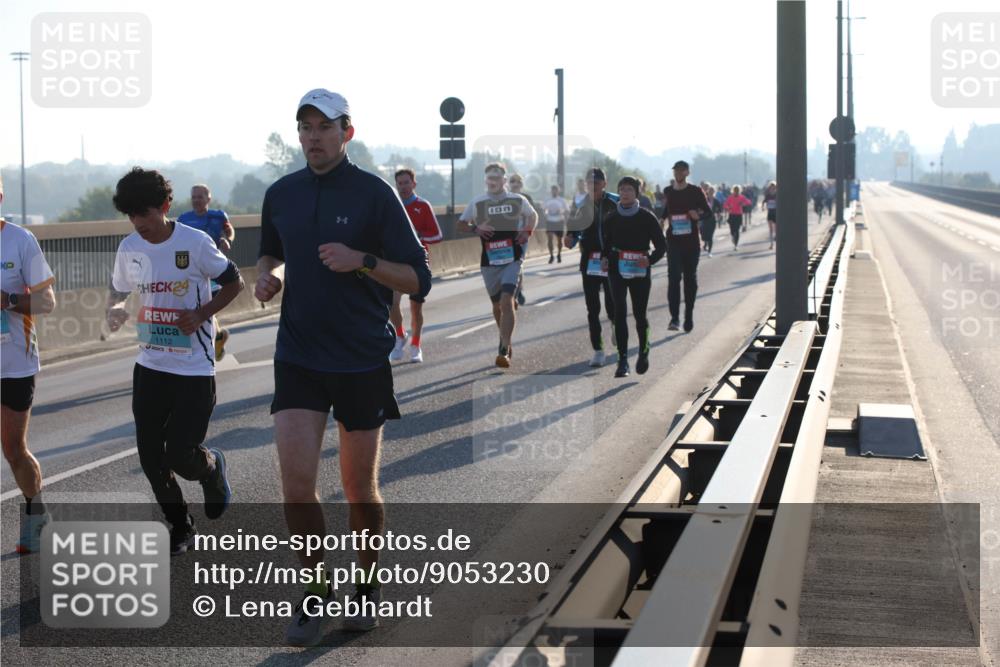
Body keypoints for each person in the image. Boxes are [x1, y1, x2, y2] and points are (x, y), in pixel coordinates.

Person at [254, 89, 432, 645]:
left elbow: (418, 278)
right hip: (298, 356)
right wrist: (268, 278)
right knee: (297, 486)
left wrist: (363, 261)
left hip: (359, 358)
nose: (312, 137)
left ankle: (367, 589)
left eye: (322, 127)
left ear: (346, 132)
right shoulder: (281, 193)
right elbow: (272, 252)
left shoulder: (374, 193)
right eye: (304, 127)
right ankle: (314, 595)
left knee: (358, 487)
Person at [106, 167, 243, 558]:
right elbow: (117, 292)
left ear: (165, 207)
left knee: (180, 455)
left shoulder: (195, 243)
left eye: (144, 214)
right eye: (131, 216)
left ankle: (211, 466)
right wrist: (115, 310)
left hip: (193, 368)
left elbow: (235, 284)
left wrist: (202, 313)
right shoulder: (129, 248)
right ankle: (180, 525)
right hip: (150, 366)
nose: (139, 224)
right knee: (151, 458)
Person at [1, 175, 57, 554]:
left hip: (13, 364)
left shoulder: (20, 241)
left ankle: (37, 515)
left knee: (13, 449)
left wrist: (7, 300)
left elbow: (48, 302)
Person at [458, 163, 537, 368]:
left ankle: (503, 347)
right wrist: (476, 228)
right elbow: (460, 224)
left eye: (497, 177)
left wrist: (526, 231)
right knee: (496, 305)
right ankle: (504, 337)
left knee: (506, 300)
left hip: (512, 257)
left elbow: (533, 216)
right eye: (489, 178)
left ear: (504, 180)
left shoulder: (517, 200)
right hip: (490, 261)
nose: (493, 181)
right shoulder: (478, 202)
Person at [601, 176, 666, 378]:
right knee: (620, 311)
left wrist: (650, 260)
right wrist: (604, 258)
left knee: (639, 314)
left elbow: (662, 246)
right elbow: (605, 243)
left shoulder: (647, 217)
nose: (624, 193)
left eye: (629, 189)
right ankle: (622, 361)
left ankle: (643, 352)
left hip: (639, 268)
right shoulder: (611, 217)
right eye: (621, 189)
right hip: (616, 268)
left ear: (637, 193)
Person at [566, 168, 618, 367]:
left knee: (612, 304)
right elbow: (573, 232)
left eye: (597, 182)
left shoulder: (615, 202)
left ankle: (614, 324)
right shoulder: (580, 205)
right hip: (589, 261)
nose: (593, 185)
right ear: (586, 184)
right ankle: (598, 349)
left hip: (610, 259)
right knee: (592, 308)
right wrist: (569, 239)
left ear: (604, 183)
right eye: (590, 182)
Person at [177, 184, 236, 362]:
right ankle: (218, 337)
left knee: (206, 307)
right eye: (193, 197)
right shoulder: (184, 218)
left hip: (214, 268)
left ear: (208, 198)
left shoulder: (218, 216)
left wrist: (228, 240)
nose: (196, 200)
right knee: (203, 307)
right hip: (192, 270)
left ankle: (215, 340)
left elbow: (229, 230)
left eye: (200, 197)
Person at [390, 168, 442, 363]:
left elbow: (438, 235)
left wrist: (418, 237)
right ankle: (400, 335)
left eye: (406, 182)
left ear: (414, 184)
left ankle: (416, 345)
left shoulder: (423, 206)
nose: (403, 187)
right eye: (400, 183)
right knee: (391, 305)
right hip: (395, 263)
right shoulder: (392, 206)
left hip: (418, 263)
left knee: (415, 308)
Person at [662, 160, 712, 333]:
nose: (678, 173)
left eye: (682, 171)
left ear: (687, 173)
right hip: (674, 241)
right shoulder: (668, 191)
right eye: (676, 170)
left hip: (691, 243)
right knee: (674, 278)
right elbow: (665, 210)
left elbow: (708, 212)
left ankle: (688, 315)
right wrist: (661, 220)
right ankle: (674, 318)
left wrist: (697, 215)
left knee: (690, 279)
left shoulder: (695, 191)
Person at [508, 174, 534, 306]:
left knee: (518, 264)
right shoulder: (504, 198)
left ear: (521, 184)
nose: (515, 184)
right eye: (512, 181)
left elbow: (532, 217)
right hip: (507, 237)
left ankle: (517, 292)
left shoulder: (526, 198)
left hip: (521, 237)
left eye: (517, 182)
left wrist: (526, 232)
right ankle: (511, 291)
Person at [542, 184, 569, 264]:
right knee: (549, 238)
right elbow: (543, 209)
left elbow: (566, 210)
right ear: (551, 191)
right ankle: (551, 256)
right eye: (553, 190)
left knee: (559, 240)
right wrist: (545, 215)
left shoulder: (562, 200)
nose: (554, 191)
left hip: (559, 221)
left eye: (555, 190)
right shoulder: (547, 200)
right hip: (550, 221)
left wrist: (565, 218)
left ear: (558, 191)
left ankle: (559, 254)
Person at [724, 185, 752, 251]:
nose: (736, 191)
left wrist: (743, 204)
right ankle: (733, 237)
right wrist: (728, 208)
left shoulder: (741, 197)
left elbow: (749, 202)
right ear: (733, 190)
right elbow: (725, 205)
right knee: (732, 230)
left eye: (737, 190)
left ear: (739, 191)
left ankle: (736, 245)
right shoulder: (730, 197)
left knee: (737, 230)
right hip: (732, 215)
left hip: (738, 215)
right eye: (735, 190)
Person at [700, 182, 717, 257]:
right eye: (709, 190)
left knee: (710, 236)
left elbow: (720, 208)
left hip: (712, 220)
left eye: (712, 191)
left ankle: (710, 251)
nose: (710, 192)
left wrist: (719, 214)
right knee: (703, 235)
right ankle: (705, 242)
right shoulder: (704, 198)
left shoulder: (715, 200)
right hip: (704, 219)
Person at [762, 181, 778, 249]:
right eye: (771, 187)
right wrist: (762, 207)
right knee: (770, 229)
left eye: (773, 187)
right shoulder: (768, 195)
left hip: (776, 213)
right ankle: (771, 244)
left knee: (776, 229)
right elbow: (764, 201)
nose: (772, 189)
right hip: (770, 213)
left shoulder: (777, 194)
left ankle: (776, 237)